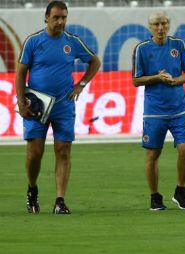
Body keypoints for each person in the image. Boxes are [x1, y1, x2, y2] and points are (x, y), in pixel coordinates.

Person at [15, 0, 101, 214]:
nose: (60, 21)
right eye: (56, 17)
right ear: (46, 18)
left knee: (63, 151)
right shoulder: (33, 41)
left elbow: (95, 62)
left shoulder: (72, 42)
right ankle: (32, 189)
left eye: (63, 17)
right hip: (37, 106)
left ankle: (60, 200)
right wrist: (20, 102)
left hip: (64, 105)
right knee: (35, 152)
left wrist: (81, 84)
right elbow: (20, 72)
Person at [132, 11, 185, 211]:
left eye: (164, 23)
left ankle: (180, 191)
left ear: (168, 25)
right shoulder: (142, 49)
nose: (160, 28)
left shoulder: (178, 45)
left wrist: (176, 80)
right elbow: (136, 80)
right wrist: (157, 77)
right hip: (154, 112)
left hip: (178, 109)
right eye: (156, 24)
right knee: (153, 154)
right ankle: (155, 197)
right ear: (150, 27)